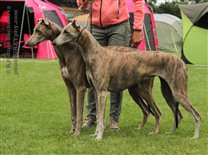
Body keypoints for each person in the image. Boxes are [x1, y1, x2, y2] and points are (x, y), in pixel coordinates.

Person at [76, 0, 144, 130]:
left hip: (119, 26)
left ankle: (114, 120)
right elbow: (80, 3)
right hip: (95, 26)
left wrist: (137, 28)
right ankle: (91, 116)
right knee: (92, 72)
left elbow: (139, 2)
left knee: (118, 72)